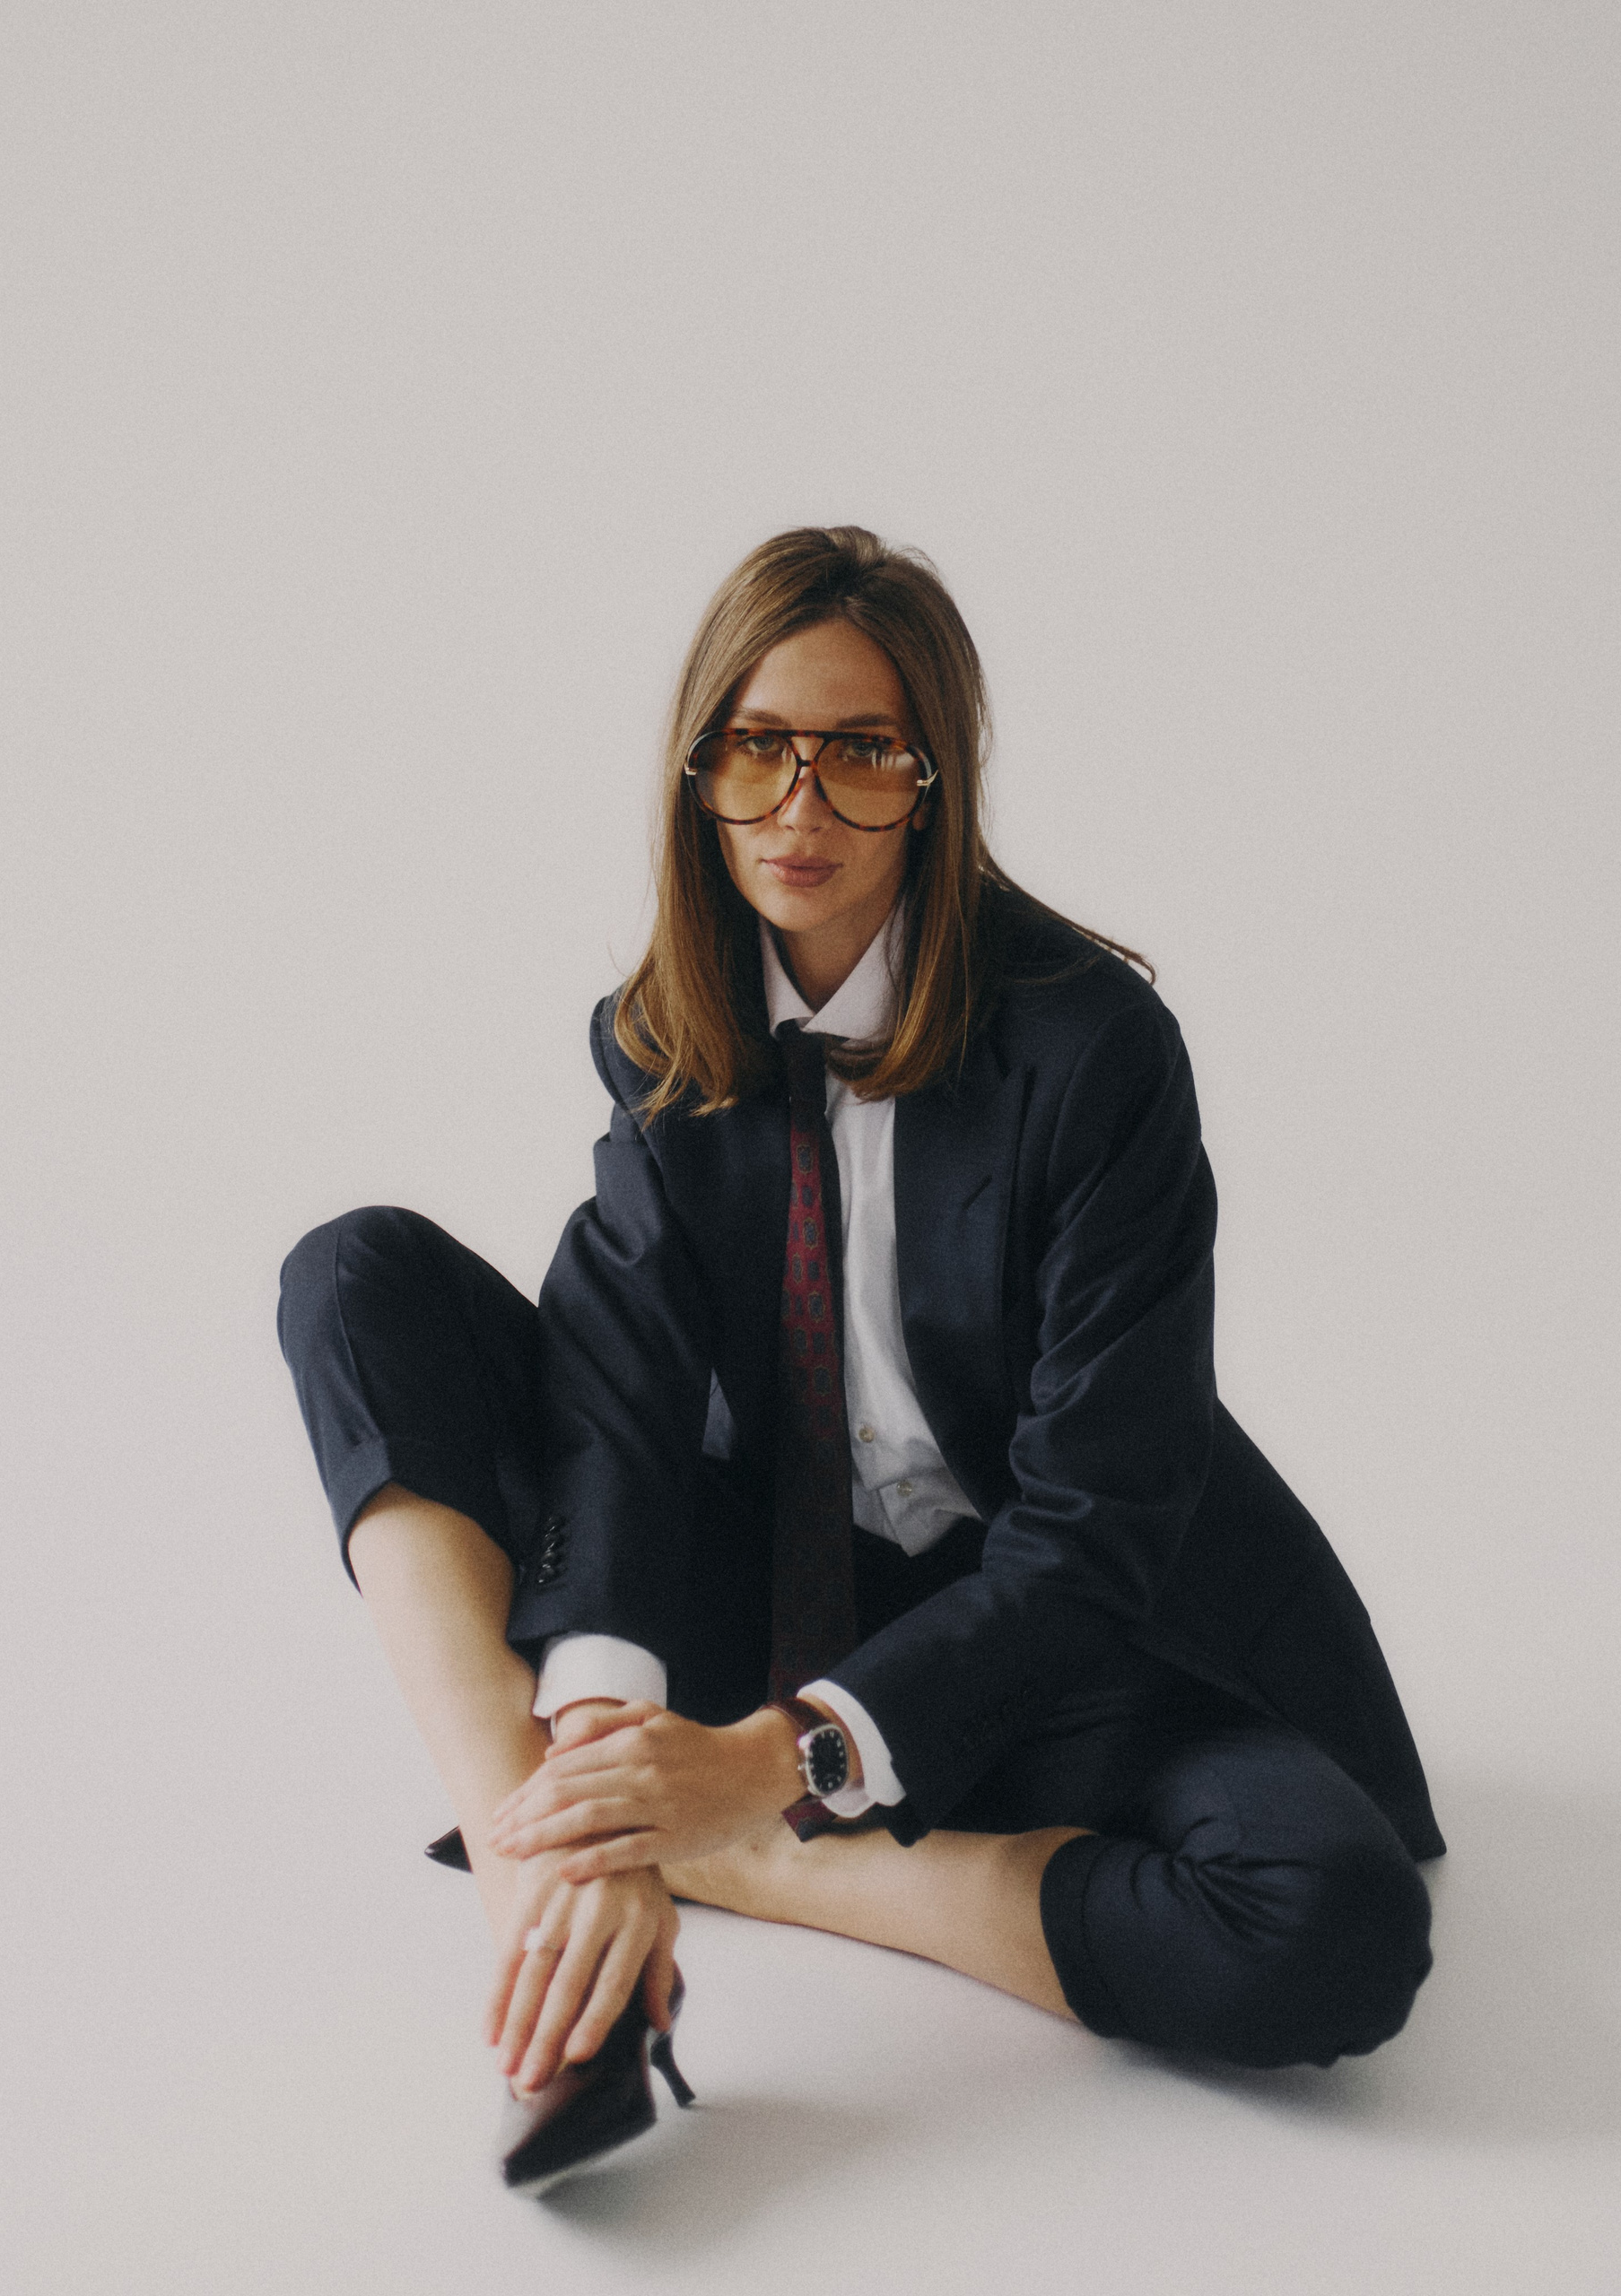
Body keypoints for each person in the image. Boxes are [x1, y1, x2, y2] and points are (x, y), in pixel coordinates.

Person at [277, 526, 1442, 2191]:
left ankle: (757, 1864)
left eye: (863, 753)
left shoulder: (1097, 1052)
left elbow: (1093, 1531)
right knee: (355, 1277)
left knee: (1330, 1926)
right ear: (699, 774)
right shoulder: (664, 1032)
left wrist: (760, 1782)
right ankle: (555, 1865)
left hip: (1067, 1628)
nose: (801, 805)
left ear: (935, 781)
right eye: (758, 747)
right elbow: (617, 1398)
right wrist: (607, 1752)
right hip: (783, 1584)